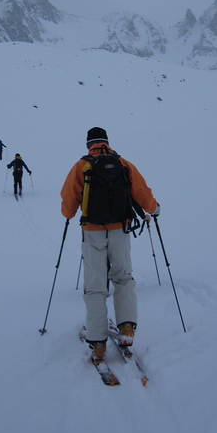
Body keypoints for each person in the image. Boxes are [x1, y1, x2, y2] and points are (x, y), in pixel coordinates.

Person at [60, 127, 160, 362]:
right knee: (123, 277)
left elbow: (68, 204)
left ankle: (97, 343)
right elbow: (142, 191)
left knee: (95, 286)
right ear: (106, 142)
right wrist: (154, 209)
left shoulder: (81, 166)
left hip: (92, 232)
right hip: (120, 230)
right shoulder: (123, 163)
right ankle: (126, 328)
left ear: (89, 145)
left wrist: (69, 214)